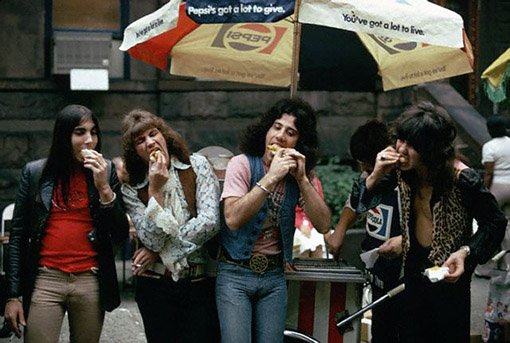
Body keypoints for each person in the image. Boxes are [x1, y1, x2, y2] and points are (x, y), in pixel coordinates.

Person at [351, 101, 507, 343]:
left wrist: (466, 252)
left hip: (450, 276)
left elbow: (495, 223)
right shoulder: (402, 171)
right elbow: (361, 202)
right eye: (400, 139)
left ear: (430, 149)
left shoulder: (462, 178)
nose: (401, 149)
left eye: (411, 144)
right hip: (414, 269)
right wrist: (376, 173)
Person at [4, 105, 129, 343]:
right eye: (80, 132)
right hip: (46, 279)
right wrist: (13, 295)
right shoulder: (35, 173)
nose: (89, 140)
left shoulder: (107, 171)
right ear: (64, 136)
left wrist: (104, 188)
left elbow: (120, 232)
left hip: (90, 279)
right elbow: (18, 236)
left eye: (93, 132)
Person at [218, 97, 332, 343]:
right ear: (266, 130)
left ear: (299, 143)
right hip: (235, 273)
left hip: (274, 276)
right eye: (276, 127)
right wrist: (270, 177)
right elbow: (233, 218)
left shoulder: (300, 175)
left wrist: (302, 180)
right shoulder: (241, 165)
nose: (280, 136)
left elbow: (323, 224)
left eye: (290, 132)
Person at [120, 109, 220, 343]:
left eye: (153, 134)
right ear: (135, 151)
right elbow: (150, 238)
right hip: (154, 285)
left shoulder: (197, 166)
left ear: (164, 135)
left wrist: (159, 252)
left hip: (196, 281)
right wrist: (155, 190)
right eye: (140, 141)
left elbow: (210, 222)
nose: (150, 142)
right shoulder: (132, 187)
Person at [327, 120, 403, 343]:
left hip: (405, 274)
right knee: (381, 332)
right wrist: (340, 229)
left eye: (366, 164)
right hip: (378, 269)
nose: (363, 170)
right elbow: (355, 202)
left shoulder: (406, 180)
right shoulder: (369, 177)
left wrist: (403, 241)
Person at [475, 114, 510, 278]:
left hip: (498, 186)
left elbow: (488, 173)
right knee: (508, 227)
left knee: (491, 225)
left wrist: (485, 191)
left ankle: (486, 268)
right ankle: (507, 264)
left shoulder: (489, 146)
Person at [293, 174, 327, 258]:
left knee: (318, 245)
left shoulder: (315, 181)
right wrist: (299, 224)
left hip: (312, 222)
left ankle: (317, 270)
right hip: (293, 222)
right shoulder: (288, 182)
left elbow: (320, 207)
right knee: (304, 246)